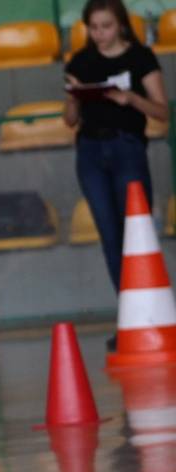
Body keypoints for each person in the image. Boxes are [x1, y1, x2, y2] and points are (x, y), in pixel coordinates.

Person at [64, 0, 169, 320]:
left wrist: (131, 99)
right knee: (110, 236)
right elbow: (70, 120)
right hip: (90, 151)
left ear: (121, 25)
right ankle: (131, 315)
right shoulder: (81, 61)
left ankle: (155, 313)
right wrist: (73, 95)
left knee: (137, 231)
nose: (99, 34)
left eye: (106, 26)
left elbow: (163, 112)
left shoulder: (140, 58)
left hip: (127, 148)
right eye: (93, 28)